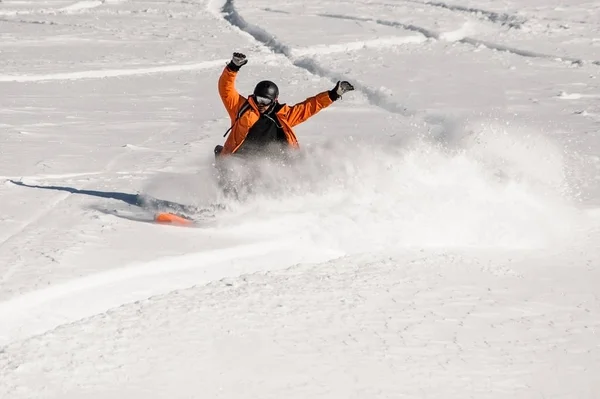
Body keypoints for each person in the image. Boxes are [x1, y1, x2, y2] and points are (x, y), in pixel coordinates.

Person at [215, 52, 355, 159]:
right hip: (239, 160)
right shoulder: (242, 108)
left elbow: (310, 107)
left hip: (270, 162)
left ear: (274, 100)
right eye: (258, 99)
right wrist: (233, 67)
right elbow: (226, 89)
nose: (261, 104)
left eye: (266, 101)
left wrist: (334, 94)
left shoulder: (283, 115)